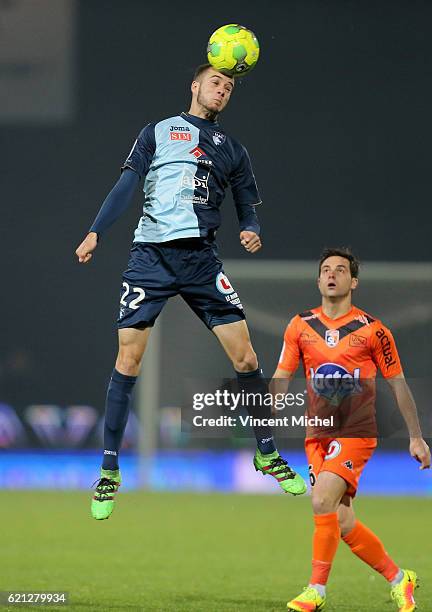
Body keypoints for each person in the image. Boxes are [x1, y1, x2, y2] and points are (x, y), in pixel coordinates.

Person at [76, 64, 306, 520]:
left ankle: (266, 453)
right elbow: (128, 183)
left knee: (245, 358)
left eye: (229, 87)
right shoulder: (159, 131)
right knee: (128, 359)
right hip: (151, 259)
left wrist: (251, 228)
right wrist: (96, 231)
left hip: (201, 261)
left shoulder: (234, 150)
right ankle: (109, 470)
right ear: (195, 86)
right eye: (216, 82)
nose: (222, 90)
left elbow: (247, 202)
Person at [271, 247, 430, 612]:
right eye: (326, 270)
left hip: (355, 430)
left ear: (353, 281)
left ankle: (316, 591)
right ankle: (398, 578)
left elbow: (398, 384)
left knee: (321, 501)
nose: (331, 275)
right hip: (317, 434)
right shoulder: (299, 325)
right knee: (341, 521)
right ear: (318, 280)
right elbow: (282, 376)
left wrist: (416, 436)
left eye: (340, 270)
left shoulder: (374, 330)